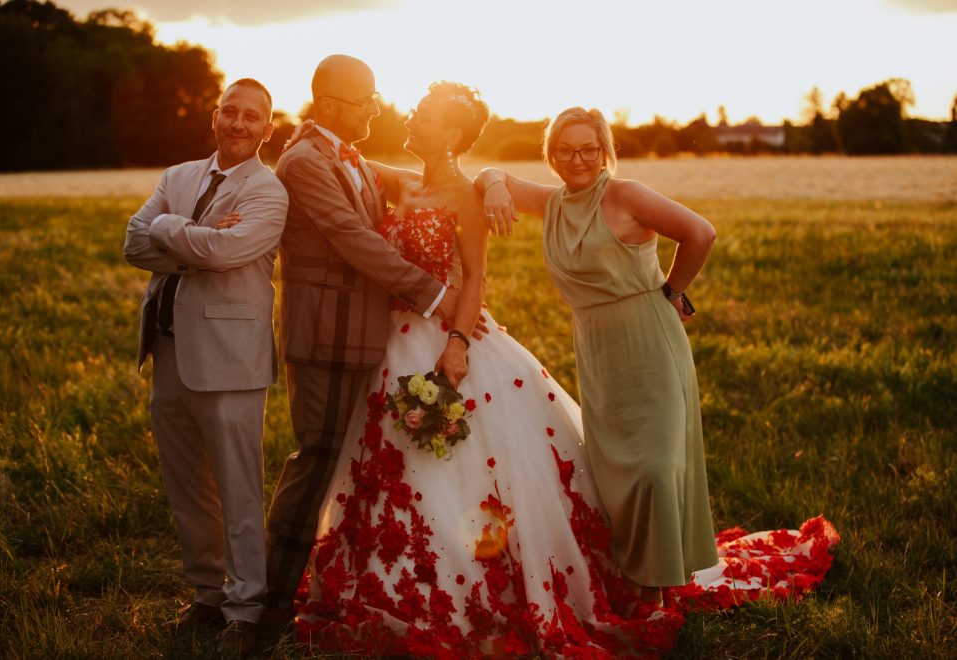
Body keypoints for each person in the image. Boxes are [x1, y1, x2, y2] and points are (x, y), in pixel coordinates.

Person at [291, 81, 689, 658]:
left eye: (422, 115)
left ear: (450, 133)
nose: (410, 118)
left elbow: (475, 278)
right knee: (388, 458)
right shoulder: (399, 181)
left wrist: (455, 344)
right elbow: (346, 156)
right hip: (390, 340)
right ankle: (390, 576)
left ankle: (472, 584)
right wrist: (308, 131)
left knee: (461, 460)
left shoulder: (464, 195)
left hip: (448, 335)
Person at [474, 107, 719, 605]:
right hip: (596, 346)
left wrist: (674, 292)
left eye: (588, 148)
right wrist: (494, 183)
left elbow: (701, 233)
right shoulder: (554, 202)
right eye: (565, 150)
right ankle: (634, 576)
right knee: (615, 470)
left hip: (649, 337)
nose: (577, 159)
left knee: (653, 466)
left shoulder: (626, 195)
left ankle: (655, 589)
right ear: (551, 154)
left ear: (604, 149)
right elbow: (483, 173)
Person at [265, 55, 463, 620]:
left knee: (352, 463)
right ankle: (271, 602)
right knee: (318, 457)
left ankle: (351, 582)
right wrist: (434, 294)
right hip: (327, 334)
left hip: (364, 336)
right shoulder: (304, 162)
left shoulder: (347, 158)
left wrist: (493, 178)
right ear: (328, 105)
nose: (376, 108)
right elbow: (353, 238)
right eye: (366, 100)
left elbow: (432, 179)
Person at [123, 78, 287, 654]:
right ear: (214, 117)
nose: (240, 124)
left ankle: (246, 608)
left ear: (269, 128)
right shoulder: (178, 176)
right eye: (231, 113)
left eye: (253, 117)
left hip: (230, 359)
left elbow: (223, 251)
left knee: (239, 488)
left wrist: (171, 231)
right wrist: (191, 237)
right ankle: (206, 595)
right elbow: (132, 244)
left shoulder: (268, 191)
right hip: (167, 350)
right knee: (186, 484)